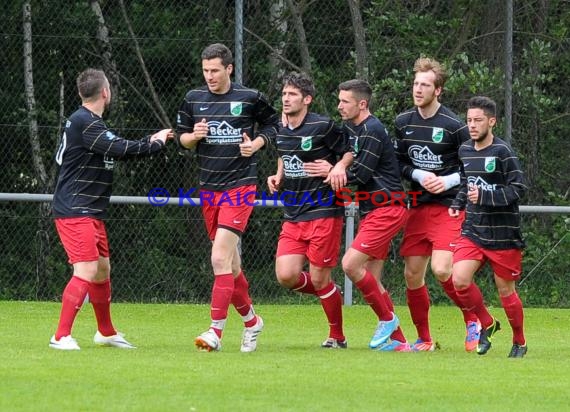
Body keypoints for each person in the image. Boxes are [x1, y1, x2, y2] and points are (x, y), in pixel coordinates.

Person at [50, 68, 171, 350]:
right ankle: (60, 335)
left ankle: (105, 332)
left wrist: (151, 141)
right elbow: (119, 148)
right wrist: (154, 143)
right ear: (105, 92)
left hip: (90, 210)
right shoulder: (86, 123)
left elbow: (112, 145)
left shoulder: (89, 123)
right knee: (86, 269)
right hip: (75, 208)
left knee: (102, 270)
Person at [176, 43, 279, 352]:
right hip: (209, 189)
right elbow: (181, 138)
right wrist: (193, 137)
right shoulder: (193, 99)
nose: (209, 76)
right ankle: (252, 322)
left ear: (229, 69)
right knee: (231, 268)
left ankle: (214, 332)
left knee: (219, 258)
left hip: (240, 186)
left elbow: (275, 125)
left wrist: (258, 143)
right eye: (205, 70)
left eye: (215, 70)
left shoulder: (250, 98)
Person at [394, 57, 480, 352]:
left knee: (443, 270)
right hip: (418, 205)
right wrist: (418, 173)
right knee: (412, 274)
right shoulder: (403, 122)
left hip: (449, 206)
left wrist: (447, 182)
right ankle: (424, 338)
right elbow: (400, 163)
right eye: (416, 83)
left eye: (425, 85)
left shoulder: (455, 126)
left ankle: (474, 320)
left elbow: (473, 166)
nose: (418, 89)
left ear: (438, 90)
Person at [267, 72, 351, 348]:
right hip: (294, 212)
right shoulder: (280, 127)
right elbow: (284, 153)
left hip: (324, 209)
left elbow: (351, 149)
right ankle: (329, 290)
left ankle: (337, 336)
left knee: (318, 277)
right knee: (286, 276)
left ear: (307, 99)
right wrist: (278, 175)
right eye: (284, 94)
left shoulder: (323, 125)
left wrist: (338, 167)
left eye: (292, 94)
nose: (286, 99)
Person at [332, 79, 411, 351]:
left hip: (388, 208)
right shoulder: (350, 129)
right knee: (373, 281)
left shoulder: (373, 129)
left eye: (345, 101)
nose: (339, 105)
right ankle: (399, 341)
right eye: (339, 100)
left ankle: (388, 319)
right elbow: (346, 154)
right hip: (373, 209)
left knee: (350, 265)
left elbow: (361, 174)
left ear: (362, 104)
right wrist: (340, 163)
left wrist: (329, 173)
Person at [449, 96, 527, 358]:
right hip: (473, 229)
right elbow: (465, 182)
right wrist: (458, 203)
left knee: (506, 290)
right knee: (459, 279)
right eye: (469, 120)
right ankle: (488, 322)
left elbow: (518, 189)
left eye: (478, 120)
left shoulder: (503, 152)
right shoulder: (465, 151)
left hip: (503, 234)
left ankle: (519, 341)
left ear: (492, 122)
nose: (472, 125)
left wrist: (485, 197)